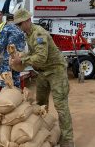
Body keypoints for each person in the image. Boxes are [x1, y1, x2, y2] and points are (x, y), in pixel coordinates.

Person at [11, 9, 74, 147]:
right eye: (17, 25)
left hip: (55, 70)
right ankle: (43, 132)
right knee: (40, 104)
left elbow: (40, 58)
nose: (19, 27)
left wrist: (22, 61)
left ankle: (68, 141)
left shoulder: (39, 33)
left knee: (61, 106)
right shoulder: (28, 34)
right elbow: (34, 53)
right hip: (43, 72)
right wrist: (21, 55)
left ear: (28, 20)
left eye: (20, 24)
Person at [0, 14, 25, 88]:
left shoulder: (6, 28)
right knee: (16, 75)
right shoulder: (19, 28)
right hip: (18, 56)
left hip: (9, 55)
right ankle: (17, 93)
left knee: (6, 74)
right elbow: (23, 43)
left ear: (7, 20)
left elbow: (1, 43)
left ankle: (6, 92)